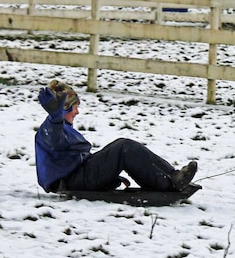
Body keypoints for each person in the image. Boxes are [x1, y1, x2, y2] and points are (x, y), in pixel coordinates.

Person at [34, 80, 198, 194]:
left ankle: (171, 177)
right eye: (74, 107)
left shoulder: (62, 128)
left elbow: (74, 158)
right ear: (63, 109)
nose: (77, 112)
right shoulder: (50, 129)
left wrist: (109, 173)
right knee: (123, 148)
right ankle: (169, 182)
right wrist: (55, 118)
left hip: (78, 177)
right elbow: (54, 141)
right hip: (70, 182)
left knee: (123, 146)